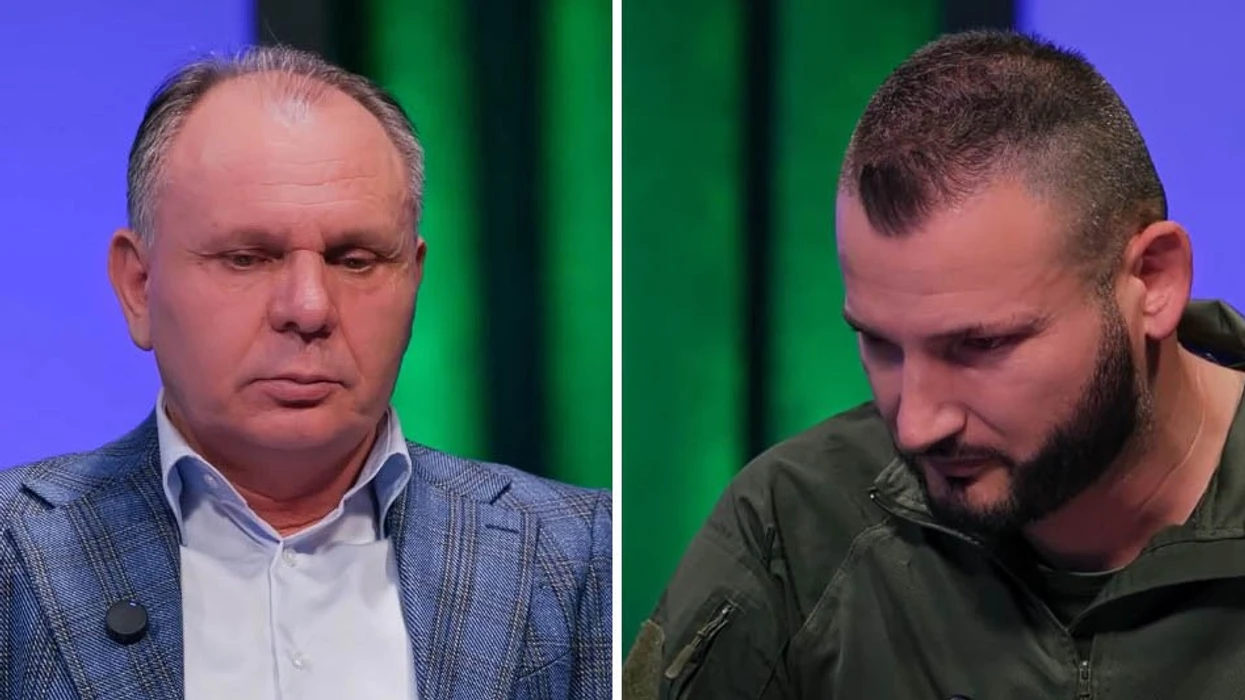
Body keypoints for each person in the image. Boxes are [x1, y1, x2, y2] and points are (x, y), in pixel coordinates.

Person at [623, 29, 1245, 699]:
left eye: (980, 346)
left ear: (1152, 281)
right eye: (880, 344)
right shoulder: (795, 526)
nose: (916, 426)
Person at [0, 47, 610, 700]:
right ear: (139, 287)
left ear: (413, 280)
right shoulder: (16, 557)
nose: (309, 308)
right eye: (246, 257)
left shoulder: (583, 555)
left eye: (355, 259)